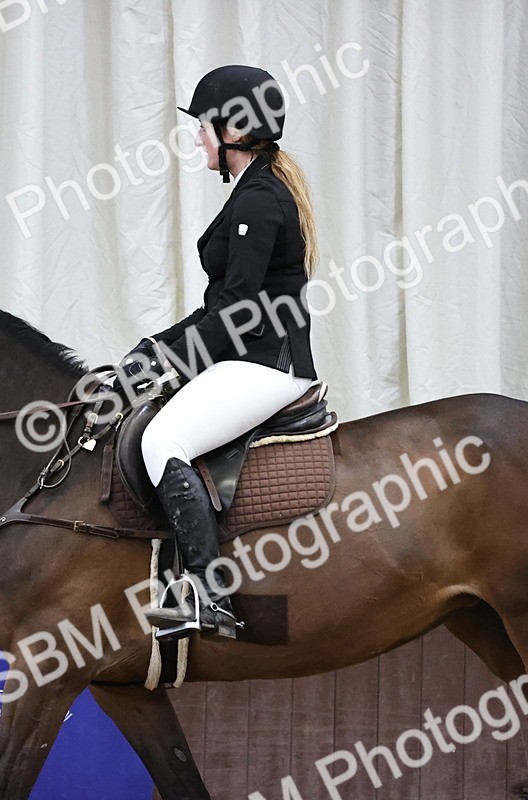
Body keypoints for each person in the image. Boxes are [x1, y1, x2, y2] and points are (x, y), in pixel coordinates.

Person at [119, 65, 320, 641]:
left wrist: (165, 361)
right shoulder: (255, 191)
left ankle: (208, 596)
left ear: (233, 129)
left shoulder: (260, 200)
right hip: (250, 356)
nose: (199, 139)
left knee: (164, 440)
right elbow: (220, 307)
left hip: (266, 364)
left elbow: (237, 314)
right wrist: (156, 350)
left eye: (204, 127)